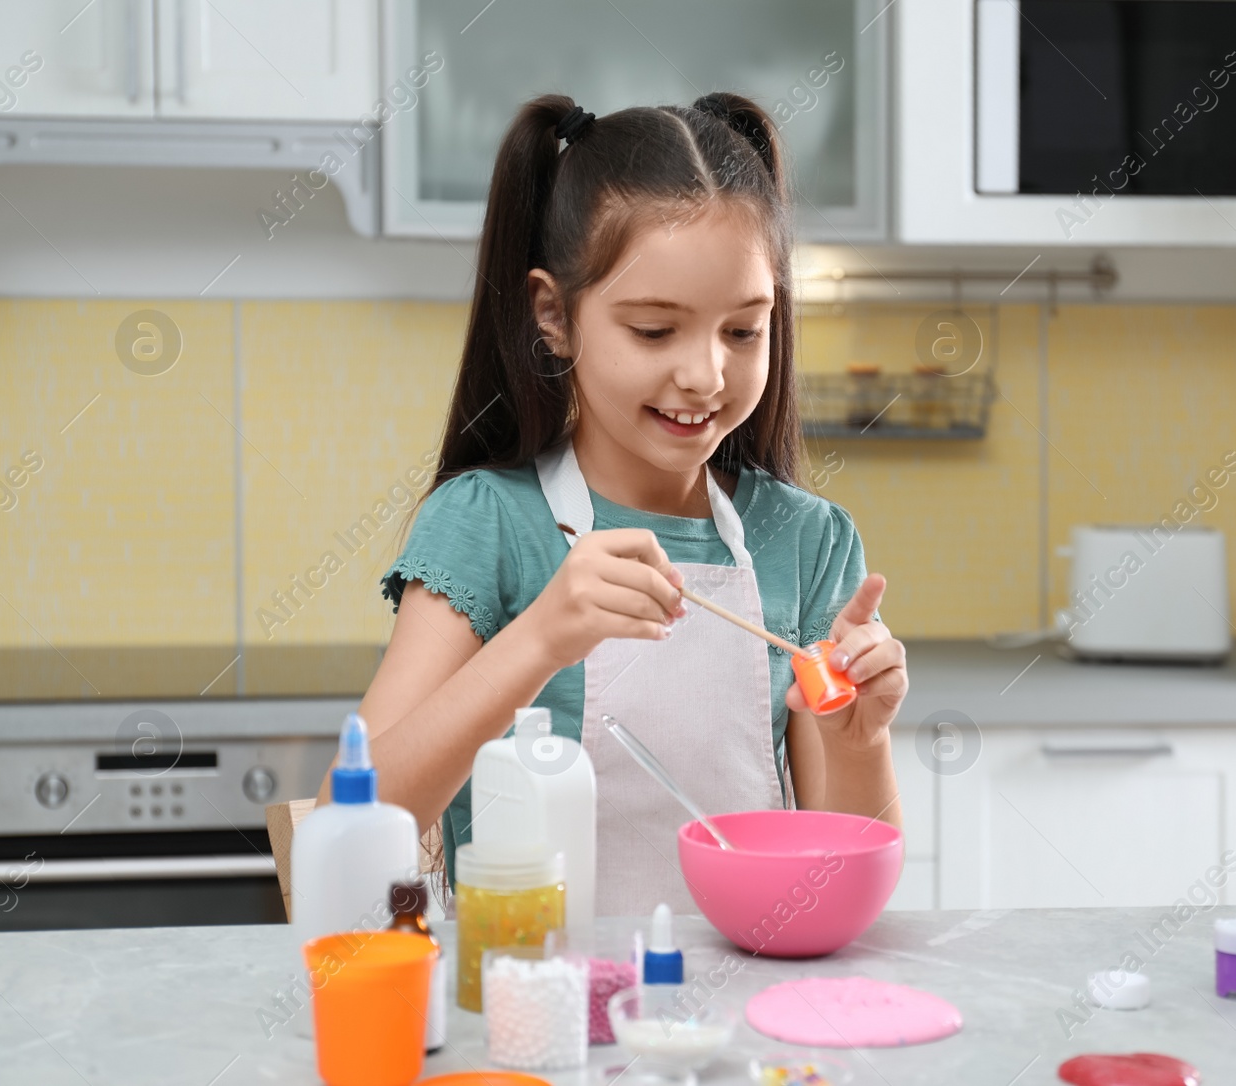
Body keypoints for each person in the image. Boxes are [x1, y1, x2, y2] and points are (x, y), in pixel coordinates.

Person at [318, 92, 907, 916]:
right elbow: (352, 821)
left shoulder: (806, 541)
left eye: (743, 331)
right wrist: (540, 638)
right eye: (655, 331)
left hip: (745, 1019)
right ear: (554, 316)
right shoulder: (488, 523)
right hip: (532, 1013)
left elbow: (841, 888)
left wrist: (861, 741)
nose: (705, 374)